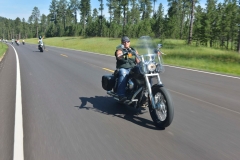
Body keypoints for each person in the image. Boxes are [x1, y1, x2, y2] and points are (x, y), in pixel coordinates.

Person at [115, 36, 140, 101]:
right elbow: (119, 56)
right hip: (124, 68)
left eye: (127, 41)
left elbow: (138, 60)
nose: (126, 43)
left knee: (144, 72)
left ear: (129, 42)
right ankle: (121, 95)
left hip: (133, 68)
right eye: (124, 42)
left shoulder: (133, 50)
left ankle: (147, 94)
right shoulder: (120, 49)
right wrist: (123, 55)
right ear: (122, 43)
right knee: (123, 73)